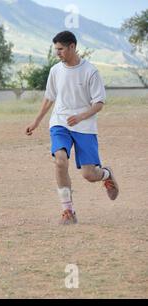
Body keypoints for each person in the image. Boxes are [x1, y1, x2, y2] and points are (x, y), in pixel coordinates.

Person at [25, 31, 119, 225]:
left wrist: (81, 116)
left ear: (72, 47)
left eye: (60, 49)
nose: (57, 53)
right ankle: (68, 211)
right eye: (56, 49)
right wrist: (36, 121)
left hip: (85, 126)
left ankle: (106, 174)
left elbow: (99, 103)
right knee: (60, 161)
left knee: (89, 174)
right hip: (60, 123)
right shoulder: (55, 71)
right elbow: (49, 97)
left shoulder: (90, 71)